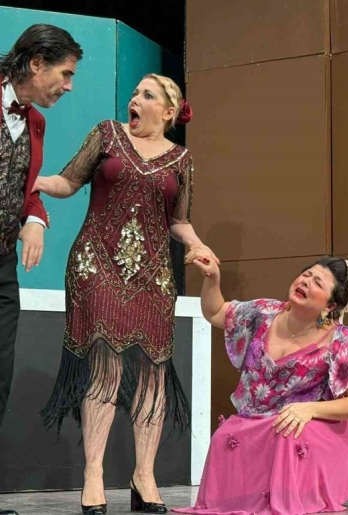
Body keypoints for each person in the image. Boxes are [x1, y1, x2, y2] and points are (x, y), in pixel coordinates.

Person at [37, 73, 217, 515]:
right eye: (135, 93)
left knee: (154, 370)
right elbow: (68, 182)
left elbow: (179, 220)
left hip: (152, 274)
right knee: (105, 362)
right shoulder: (107, 134)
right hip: (95, 262)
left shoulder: (181, 159)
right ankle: (93, 475)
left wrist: (198, 246)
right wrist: (35, 182)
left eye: (146, 95)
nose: (135, 99)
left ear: (168, 111)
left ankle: (144, 476)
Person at [172, 256, 348, 515]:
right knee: (224, 436)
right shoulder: (263, 313)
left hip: (311, 425)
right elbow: (215, 311)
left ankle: (292, 496)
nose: (306, 282)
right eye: (306, 275)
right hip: (255, 419)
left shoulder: (339, 341)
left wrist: (309, 409)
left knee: (287, 433)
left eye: (317, 282)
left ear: (330, 304)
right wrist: (212, 279)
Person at [0, 23, 82, 515]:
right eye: (65, 74)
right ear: (36, 64)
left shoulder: (35, 123)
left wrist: (34, 218)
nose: (68, 86)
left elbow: (25, 185)